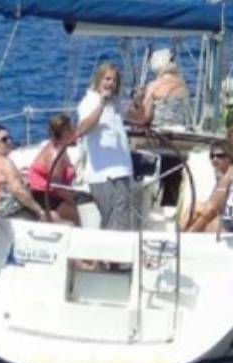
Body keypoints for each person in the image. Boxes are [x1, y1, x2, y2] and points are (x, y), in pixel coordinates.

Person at [75, 62, 139, 231]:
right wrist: (101, 105)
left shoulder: (117, 103)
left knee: (120, 218)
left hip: (122, 170)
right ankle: (112, 256)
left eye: (114, 80)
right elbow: (83, 129)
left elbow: (142, 118)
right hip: (102, 174)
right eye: (107, 79)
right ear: (99, 79)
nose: (111, 83)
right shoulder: (90, 101)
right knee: (113, 217)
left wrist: (141, 100)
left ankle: (107, 256)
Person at [0, 124, 55, 222]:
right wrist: (39, 211)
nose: (9, 142)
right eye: (4, 139)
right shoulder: (4, 162)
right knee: (59, 214)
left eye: (9, 138)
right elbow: (17, 190)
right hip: (12, 213)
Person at [27, 113, 81, 226]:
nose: (76, 132)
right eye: (73, 129)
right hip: (47, 198)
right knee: (82, 215)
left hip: (52, 194)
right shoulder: (56, 154)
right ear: (66, 132)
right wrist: (74, 202)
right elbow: (56, 185)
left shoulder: (57, 147)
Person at [185, 141, 233, 233]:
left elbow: (212, 210)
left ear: (230, 157)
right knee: (196, 207)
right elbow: (212, 203)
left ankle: (181, 236)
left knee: (204, 221)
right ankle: (179, 234)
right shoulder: (230, 172)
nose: (214, 159)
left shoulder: (229, 175)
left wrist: (190, 233)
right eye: (212, 156)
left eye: (220, 156)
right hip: (231, 217)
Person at [139, 48, 192, 129]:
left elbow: (146, 116)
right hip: (182, 129)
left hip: (160, 130)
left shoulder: (153, 86)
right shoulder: (183, 85)